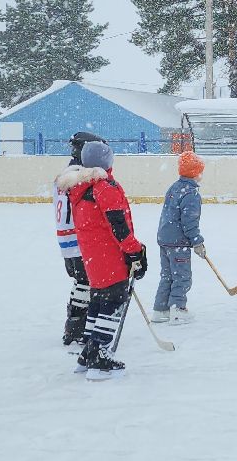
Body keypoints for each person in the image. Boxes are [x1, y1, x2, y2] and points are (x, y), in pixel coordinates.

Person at [60, 141, 148, 377]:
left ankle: (88, 352)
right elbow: (118, 225)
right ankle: (99, 356)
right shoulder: (104, 186)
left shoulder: (81, 187)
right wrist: (134, 251)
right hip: (109, 256)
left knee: (98, 301)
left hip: (92, 257)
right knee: (112, 302)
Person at [56, 131, 105, 344]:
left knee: (82, 282)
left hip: (68, 241)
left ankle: (75, 324)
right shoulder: (78, 176)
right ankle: (76, 327)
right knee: (85, 282)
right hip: (78, 240)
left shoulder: (67, 173)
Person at [152, 150, 206, 324]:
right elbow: (189, 222)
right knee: (182, 276)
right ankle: (178, 309)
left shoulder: (174, 187)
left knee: (167, 275)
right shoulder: (191, 194)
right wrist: (197, 241)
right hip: (178, 242)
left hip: (165, 239)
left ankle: (160, 310)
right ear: (195, 173)